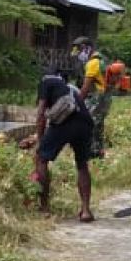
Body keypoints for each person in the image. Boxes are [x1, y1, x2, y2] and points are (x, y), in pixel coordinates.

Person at [20, 70, 95, 222]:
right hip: (85, 123)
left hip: (66, 124)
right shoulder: (71, 88)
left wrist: (40, 141)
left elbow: (41, 114)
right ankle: (86, 210)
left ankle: (44, 207)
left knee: (41, 159)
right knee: (82, 165)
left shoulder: (46, 82)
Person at [72, 36, 112, 158]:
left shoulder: (93, 63)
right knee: (98, 124)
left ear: (85, 48)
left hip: (97, 98)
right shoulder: (102, 59)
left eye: (79, 51)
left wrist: (76, 102)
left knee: (88, 123)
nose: (77, 54)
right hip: (105, 97)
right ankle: (99, 151)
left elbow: (85, 87)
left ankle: (91, 152)